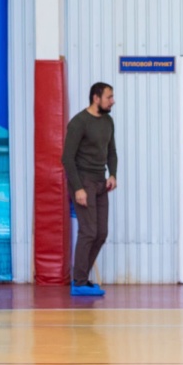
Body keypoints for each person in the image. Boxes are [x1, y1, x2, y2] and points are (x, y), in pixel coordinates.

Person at [62, 82, 118, 297]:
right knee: (89, 231)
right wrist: (78, 188)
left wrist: (112, 174)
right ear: (96, 98)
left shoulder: (108, 121)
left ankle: (82, 278)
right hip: (83, 182)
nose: (112, 101)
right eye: (109, 97)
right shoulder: (79, 122)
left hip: (100, 182)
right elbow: (67, 158)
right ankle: (79, 282)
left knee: (101, 233)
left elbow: (111, 151)